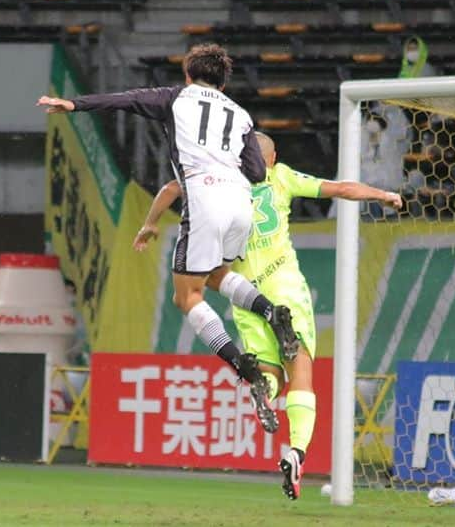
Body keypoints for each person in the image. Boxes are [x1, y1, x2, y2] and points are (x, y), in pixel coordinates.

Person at [37, 43, 295, 433]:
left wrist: (74, 104)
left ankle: (244, 367)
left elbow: (126, 100)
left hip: (204, 198)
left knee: (186, 296)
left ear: (188, 75)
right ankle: (271, 311)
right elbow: (258, 174)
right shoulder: (240, 115)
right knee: (215, 275)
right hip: (241, 203)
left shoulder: (176, 98)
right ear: (223, 84)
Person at [134, 132, 402, 500]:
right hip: (284, 285)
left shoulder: (222, 183)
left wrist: (150, 223)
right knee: (301, 371)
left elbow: (169, 189)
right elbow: (340, 188)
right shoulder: (283, 177)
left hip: (245, 292)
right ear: (271, 160)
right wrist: (382, 194)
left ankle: (263, 390)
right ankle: (297, 452)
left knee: (268, 372)